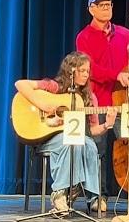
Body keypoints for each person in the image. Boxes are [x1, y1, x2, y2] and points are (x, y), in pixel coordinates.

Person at [76, 0, 129, 213]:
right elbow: (89, 67)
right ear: (91, 9)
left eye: (109, 4)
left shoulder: (124, 32)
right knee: (97, 149)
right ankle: (96, 195)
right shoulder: (84, 37)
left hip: (125, 100)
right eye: (100, 5)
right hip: (99, 100)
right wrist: (115, 75)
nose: (106, 8)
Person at [15, 51, 117, 213]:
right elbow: (20, 84)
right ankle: (60, 193)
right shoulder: (55, 87)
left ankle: (90, 195)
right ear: (71, 71)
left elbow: (92, 129)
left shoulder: (89, 98)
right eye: (81, 70)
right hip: (47, 137)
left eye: (87, 71)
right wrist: (44, 106)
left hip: (75, 139)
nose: (85, 74)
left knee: (88, 144)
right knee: (70, 141)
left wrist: (107, 125)